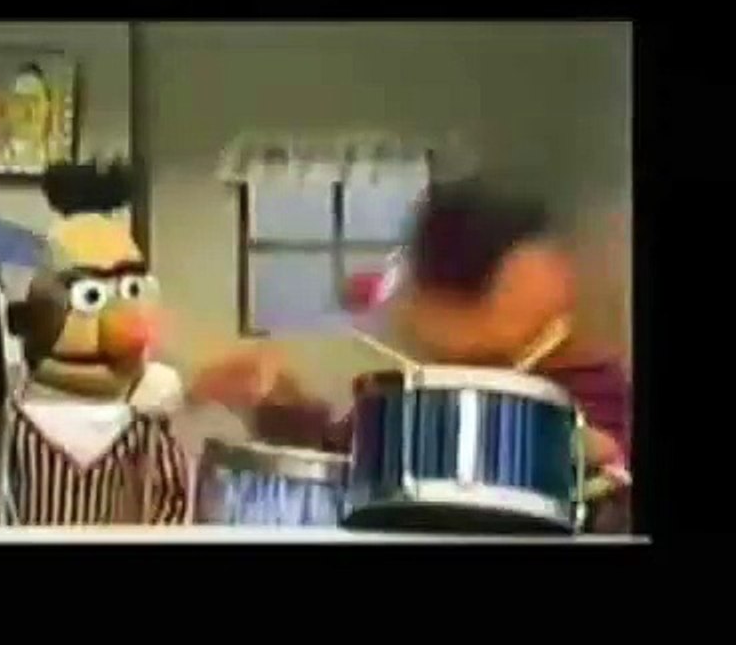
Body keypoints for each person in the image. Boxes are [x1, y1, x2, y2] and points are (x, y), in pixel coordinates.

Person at [188, 178, 632, 533]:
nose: (406, 309)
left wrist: (589, 462)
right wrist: (277, 404)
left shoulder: (592, 385)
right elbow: (351, 458)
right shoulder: (427, 392)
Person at [4, 160, 188, 525]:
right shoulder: (11, 423)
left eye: (131, 290)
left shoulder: (143, 426)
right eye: (91, 296)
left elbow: (170, 497)